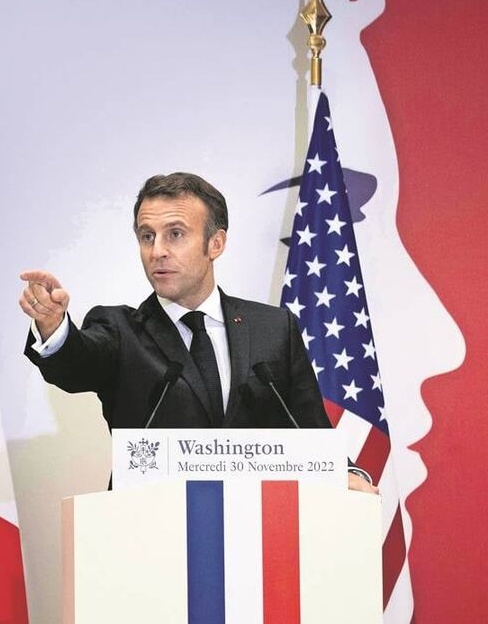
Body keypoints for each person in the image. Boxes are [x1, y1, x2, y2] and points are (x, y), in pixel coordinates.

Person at [19, 172, 377, 493]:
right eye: (147, 236)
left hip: (255, 533)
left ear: (215, 244)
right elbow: (76, 362)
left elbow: (307, 428)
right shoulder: (119, 330)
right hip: (146, 535)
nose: (157, 251)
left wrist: (344, 473)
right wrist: (53, 325)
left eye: (175, 234)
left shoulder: (273, 328)